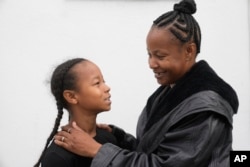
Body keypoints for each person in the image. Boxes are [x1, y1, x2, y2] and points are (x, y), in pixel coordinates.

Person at [54, 0, 239, 166]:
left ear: (189, 51)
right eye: (149, 54)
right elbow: (154, 150)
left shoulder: (205, 109)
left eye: (160, 56)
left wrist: (97, 151)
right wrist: (120, 137)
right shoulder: (169, 91)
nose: (151, 64)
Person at [34, 58, 117, 167]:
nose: (107, 88)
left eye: (103, 81)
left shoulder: (109, 138)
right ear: (71, 96)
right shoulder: (57, 157)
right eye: (97, 83)